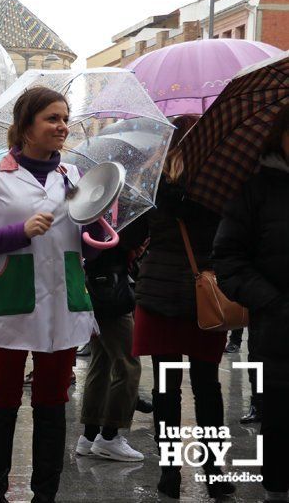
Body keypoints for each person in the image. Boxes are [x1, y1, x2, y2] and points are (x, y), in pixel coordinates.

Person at [0, 87, 99, 503]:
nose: (62, 126)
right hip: (9, 305)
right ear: (26, 126)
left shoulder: (73, 178)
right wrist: (18, 232)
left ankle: (45, 495)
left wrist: (100, 227)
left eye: (65, 117)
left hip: (62, 304)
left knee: (53, 404)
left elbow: (85, 245)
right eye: (52, 118)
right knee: (1, 402)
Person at [129, 115, 234, 500]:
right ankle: (213, 469)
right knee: (208, 386)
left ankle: (170, 472)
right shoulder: (221, 185)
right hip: (206, 296)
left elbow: (131, 237)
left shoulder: (152, 185)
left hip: (158, 296)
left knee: (165, 387)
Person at [212, 105, 289, 503]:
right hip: (279, 338)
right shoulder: (255, 191)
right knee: (280, 434)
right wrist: (274, 303)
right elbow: (228, 260)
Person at [75, 244, 144, 462]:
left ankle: (90, 435)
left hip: (96, 286)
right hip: (111, 290)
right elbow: (108, 245)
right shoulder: (113, 218)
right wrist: (133, 247)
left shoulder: (88, 212)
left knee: (102, 362)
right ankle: (109, 436)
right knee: (129, 365)